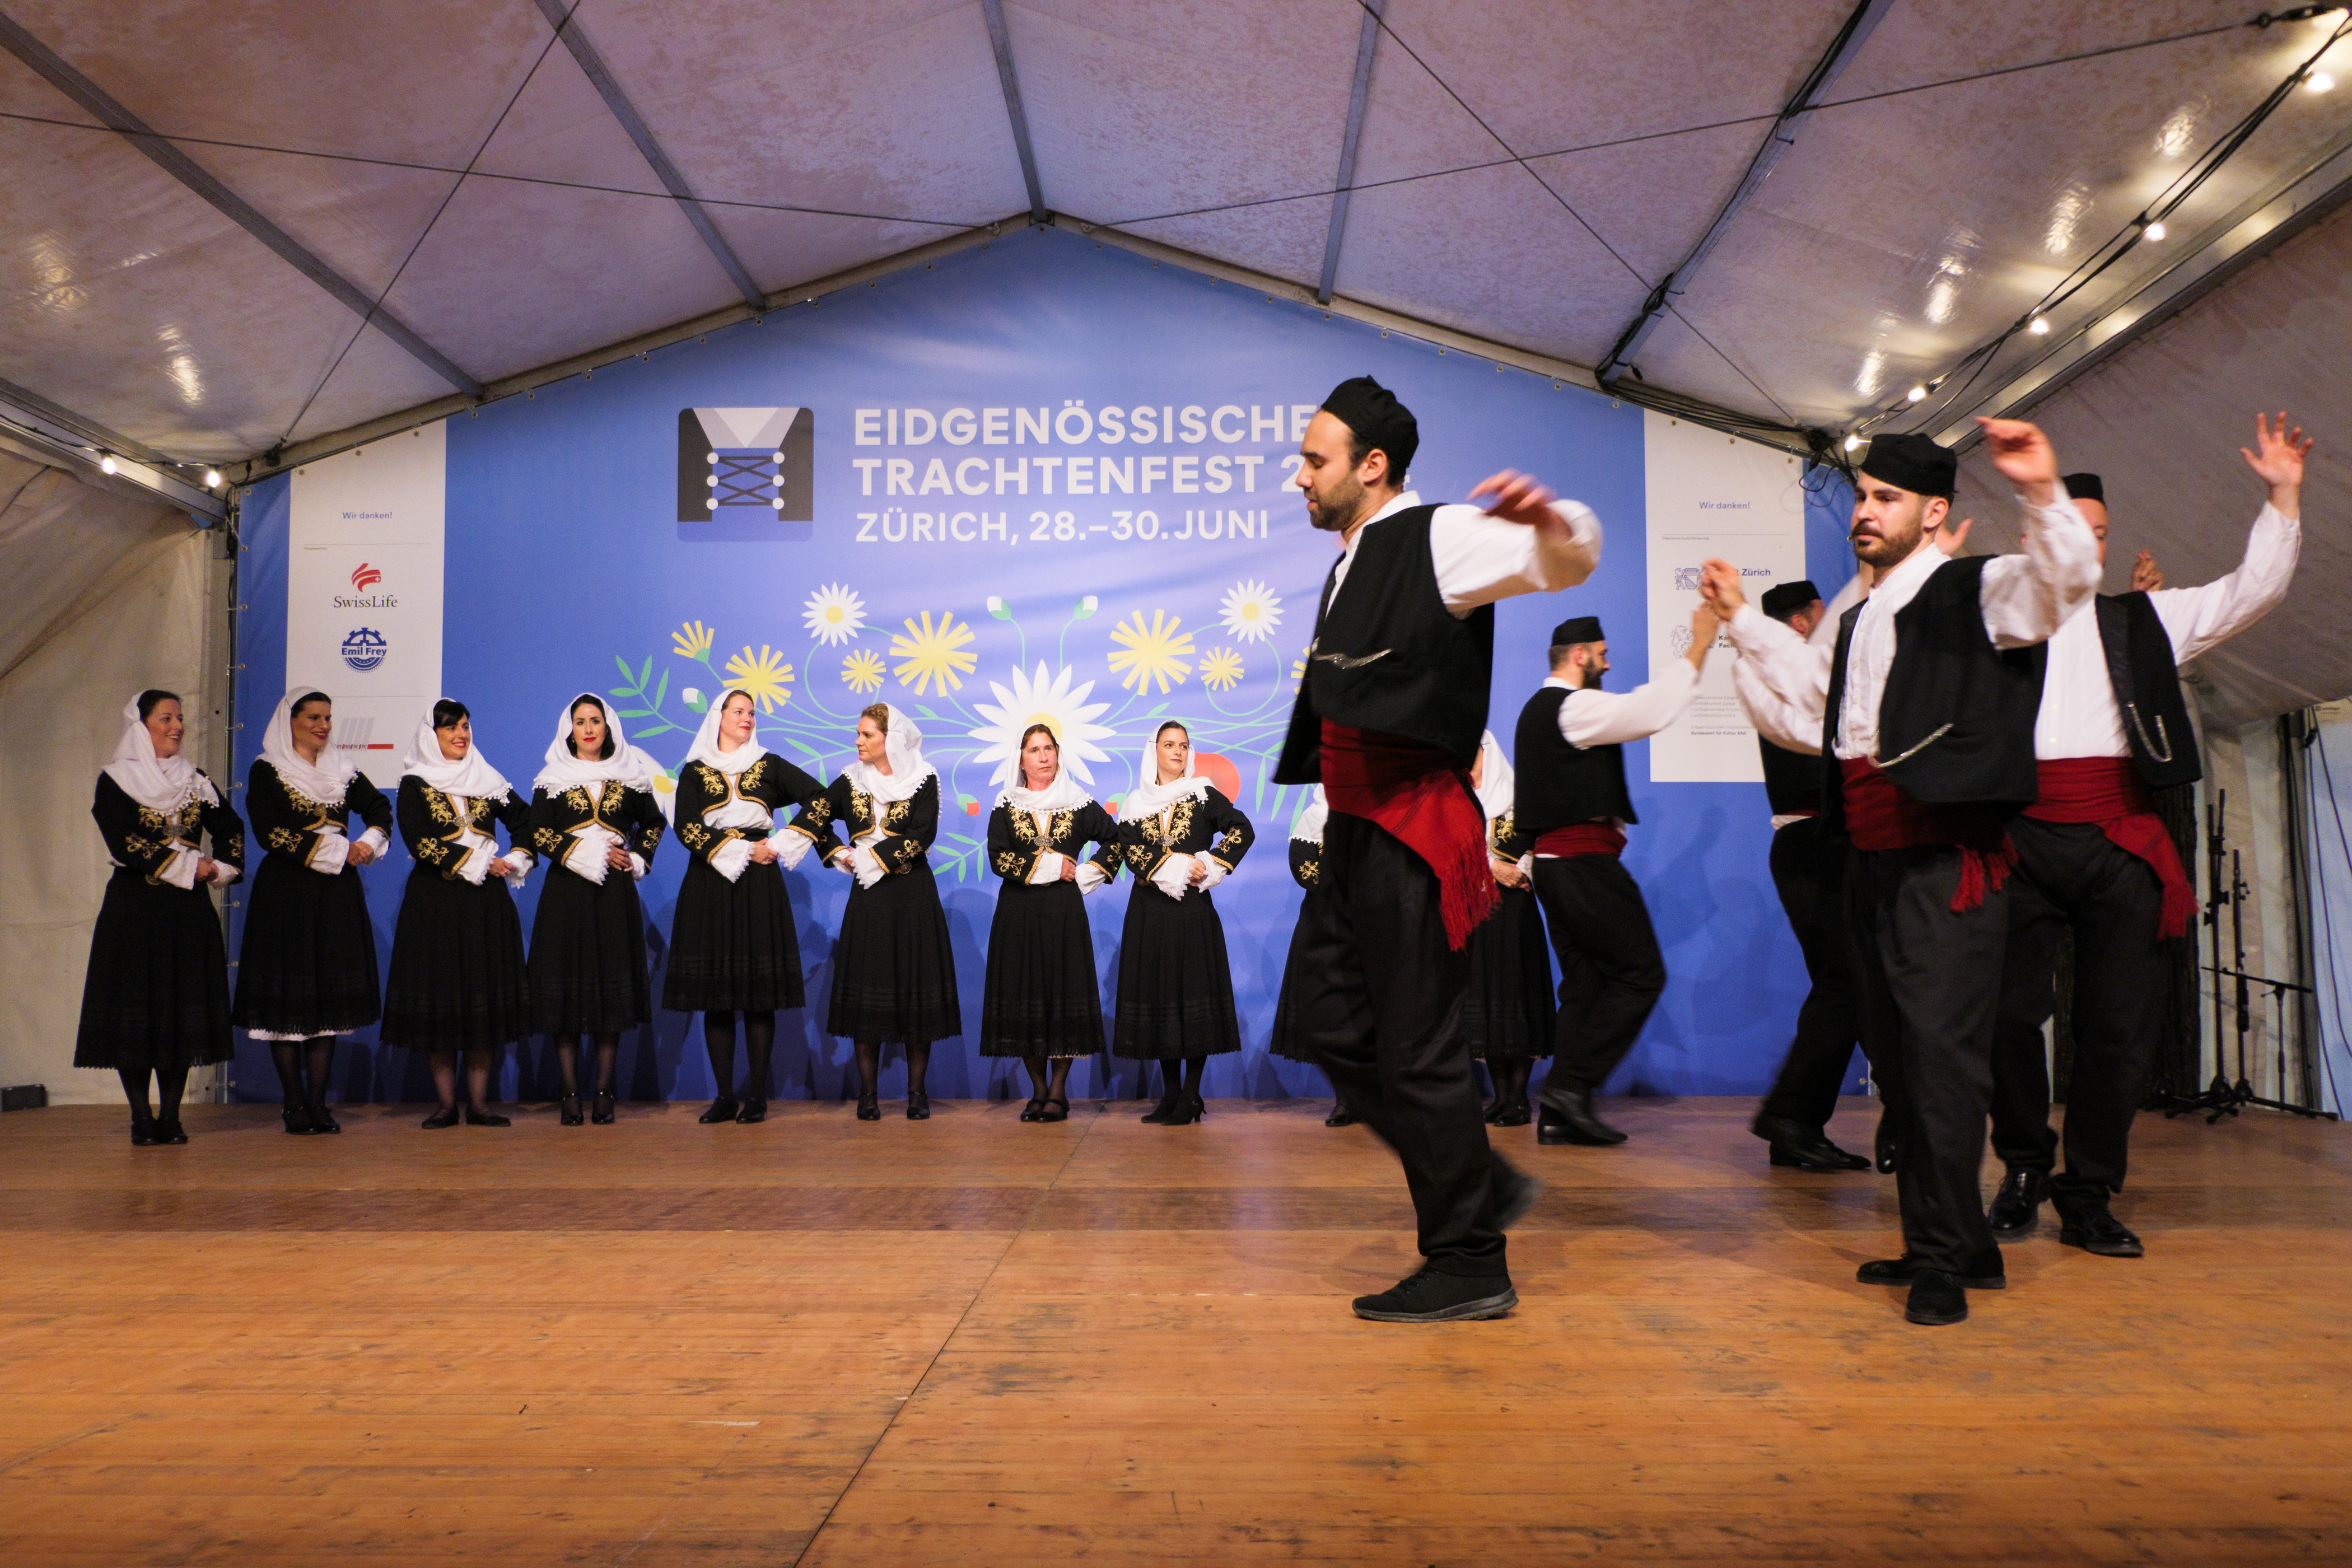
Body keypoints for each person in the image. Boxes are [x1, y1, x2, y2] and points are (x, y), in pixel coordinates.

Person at [1706, 420, 2101, 1326]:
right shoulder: (1864, 617)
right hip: (1873, 861)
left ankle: (1942, 1258)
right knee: (1901, 1058)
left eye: (1886, 498)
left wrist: (2042, 490)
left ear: (1934, 512)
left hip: (1944, 864)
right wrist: (1738, 623)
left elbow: (2062, 584)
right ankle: (1957, 1242)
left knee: (1939, 1062)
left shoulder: (1975, 591)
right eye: (1862, 495)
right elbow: (1811, 709)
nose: (1865, 511)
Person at [1272, 374, 1600, 1323]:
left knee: (1418, 1053)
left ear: (1372, 467)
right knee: (1331, 1027)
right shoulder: (1352, 559)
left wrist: (1552, 519)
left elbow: (1568, 557)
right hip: (1356, 834)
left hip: (1413, 833)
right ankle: (1481, 1183)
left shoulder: (1440, 537)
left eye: (1314, 459)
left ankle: (1469, 1260)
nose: (1300, 476)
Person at [1984, 421, 2307, 1256]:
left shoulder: (2145, 620)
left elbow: (2251, 591)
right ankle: (2022, 1166)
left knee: (2119, 1025)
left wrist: (2282, 495)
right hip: (2017, 836)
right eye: (2069, 533)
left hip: (2119, 838)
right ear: (2032, 536)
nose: (2085, 550)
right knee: (2008, 1016)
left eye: (2098, 537)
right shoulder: (1996, 617)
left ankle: (2087, 1190)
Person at [1513, 610, 1715, 1145]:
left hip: (1557, 867)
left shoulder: (1541, 710)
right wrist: (1698, 645)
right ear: (1579, 655)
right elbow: (1650, 711)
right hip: (1582, 864)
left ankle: (1560, 1112)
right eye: (1601, 654)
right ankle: (1570, 1089)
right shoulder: (1572, 706)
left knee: (1585, 986)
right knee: (1638, 974)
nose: (1607, 662)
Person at [1728, 581, 1875, 1173]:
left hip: (1817, 844)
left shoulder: (1780, 680)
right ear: (1798, 624)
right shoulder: (1782, 682)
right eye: (1820, 619)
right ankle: (1792, 1115)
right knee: (1849, 982)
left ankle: (1795, 1119)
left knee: (1853, 982)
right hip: (1817, 843)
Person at [73, 690, 243, 1146]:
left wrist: (223, 867)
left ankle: (171, 1116)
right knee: (138, 1012)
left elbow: (230, 828)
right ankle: (140, 1117)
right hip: (135, 909)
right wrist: (192, 866)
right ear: (140, 726)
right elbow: (123, 842)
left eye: (181, 718)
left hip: (185, 912)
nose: (178, 726)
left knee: (177, 1011)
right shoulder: (116, 780)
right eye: (165, 718)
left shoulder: (195, 778)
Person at [232, 687, 392, 1135]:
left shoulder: (343, 768)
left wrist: (369, 842)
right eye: (313, 717)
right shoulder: (267, 771)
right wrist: (337, 851)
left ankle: (319, 1105)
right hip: (287, 891)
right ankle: (294, 1104)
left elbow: (379, 807)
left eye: (327, 717)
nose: (322, 725)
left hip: (335, 894)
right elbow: (270, 834)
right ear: (291, 721)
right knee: (290, 1002)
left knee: (325, 1000)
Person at [667, 689, 826, 1124]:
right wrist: (736, 850)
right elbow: (685, 825)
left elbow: (820, 799)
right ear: (718, 717)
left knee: (758, 996)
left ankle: (756, 1095)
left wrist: (779, 845)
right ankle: (723, 1096)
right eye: (738, 711)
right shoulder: (696, 771)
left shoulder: (769, 764)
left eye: (752, 713)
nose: (747, 719)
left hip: (759, 883)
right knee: (718, 996)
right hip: (711, 881)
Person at [799, 703, 959, 1120]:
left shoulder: (923, 778)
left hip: (912, 896)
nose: (858, 742)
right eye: (859, 734)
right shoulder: (851, 781)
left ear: (890, 739)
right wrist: (836, 852)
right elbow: (816, 815)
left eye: (867, 735)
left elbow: (923, 833)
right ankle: (868, 1095)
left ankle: (916, 1094)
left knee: (915, 992)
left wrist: (870, 858)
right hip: (869, 899)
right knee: (869, 994)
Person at [380, 699, 535, 1128]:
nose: (460, 735)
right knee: (442, 1001)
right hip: (436, 903)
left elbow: (525, 822)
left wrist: (518, 857)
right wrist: (483, 861)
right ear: (432, 736)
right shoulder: (414, 784)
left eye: (465, 726)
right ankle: (447, 1104)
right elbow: (420, 843)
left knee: (481, 1002)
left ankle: (481, 1105)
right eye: (449, 728)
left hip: (485, 905)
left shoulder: (487, 779)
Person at [526, 693, 668, 1126]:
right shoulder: (552, 777)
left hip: (613, 895)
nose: (588, 729)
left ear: (609, 726)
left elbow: (655, 823)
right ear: (569, 728)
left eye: (596, 721)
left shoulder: (631, 776)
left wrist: (637, 856)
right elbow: (537, 833)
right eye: (580, 721)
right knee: (566, 993)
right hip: (566, 893)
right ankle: (570, 1095)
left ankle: (605, 1093)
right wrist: (582, 852)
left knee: (610, 993)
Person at [1107, 722, 1254, 1125]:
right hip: (1149, 912)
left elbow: (1242, 829)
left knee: (1191, 999)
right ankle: (1170, 1095)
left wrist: (1208, 864)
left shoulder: (1203, 792)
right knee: (1159, 999)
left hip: (1190, 912)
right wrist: (1169, 864)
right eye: (1169, 744)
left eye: (1184, 745)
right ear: (1152, 750)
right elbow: (1131, 853)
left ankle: (1192, 1095)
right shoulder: (1136, 803)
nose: (1178, 751)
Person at [978, 724, 1122, 1121]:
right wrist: (1053, 864)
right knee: (1026, 999)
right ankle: (1038, 1090)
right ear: (1021, 759)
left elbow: (1116, 840)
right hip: (1018, 913)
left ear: (1058, 754)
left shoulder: (1077, 802)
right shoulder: (1006, 804)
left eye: (1049, 749)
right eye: (1034, 750)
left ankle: (1057, 1092)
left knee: (1061, 999)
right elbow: (999, 858)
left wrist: (1087, 873)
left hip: (1062, 914)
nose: (1043, 757)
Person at [1465, 732, 1555, 1127]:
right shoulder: (1456, 799)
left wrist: (1521, 870)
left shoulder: (1522, 795)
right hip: (1475, 909)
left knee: (1516, 995)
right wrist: (1489, 868)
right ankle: (1501, 1096)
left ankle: (1518, 1097)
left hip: (1515, 910)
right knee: (1486, 1000)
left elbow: (1543, 841)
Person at [1268, 786, 1353, 1126]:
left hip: (1369, 924)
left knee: (1367, 1015)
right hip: (1324, 924)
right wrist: (1347, 886)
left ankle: (1372, 1099)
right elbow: (1303, 869)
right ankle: (1345, 1100)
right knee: (1332, 1013)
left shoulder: (1369, 819)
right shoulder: (1312, 818)